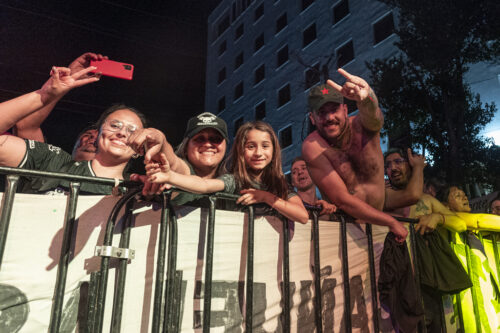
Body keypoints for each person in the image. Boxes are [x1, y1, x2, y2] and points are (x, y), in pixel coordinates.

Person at [0, 66, 146, 194]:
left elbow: (169, 174)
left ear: (139, 149)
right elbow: (26, 127)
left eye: (132, 131)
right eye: (114, 126)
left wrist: (162, 142)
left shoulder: (138, 188)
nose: (121, 133)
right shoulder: (53, 161)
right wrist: (45, 95)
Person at [301, 69, 407, 241]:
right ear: (312, 118)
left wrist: (367, 98)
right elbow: (342, 199)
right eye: (321, 112)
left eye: (334, 109)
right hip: (345, 232)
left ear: (344, 109)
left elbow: (375, 118)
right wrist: (390, 221)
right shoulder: (312, 147)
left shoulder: (362, 125)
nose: (329, 117)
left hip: (381, 228)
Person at [144, 121, 309, 223]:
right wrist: (171, 176)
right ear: (241, 151)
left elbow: (302, 216)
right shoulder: (234, 180)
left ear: (274, 151)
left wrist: (266, 197)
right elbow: (204, 184)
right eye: (251, 146)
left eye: (265, 146)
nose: (258, 152)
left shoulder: (279, 185)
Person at [13, 52, 106, 161]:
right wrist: (64, 84)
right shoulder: (51, 163)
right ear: (75, 143)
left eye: (100, 136)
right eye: (88, 135)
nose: (92, 139)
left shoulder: (126, 178)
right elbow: (25, 125)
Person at [128, 112, 229, 203]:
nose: (207, 144)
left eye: (216, 139)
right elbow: (174, 164)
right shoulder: (183, 171)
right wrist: (158, 138)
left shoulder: (231, 180)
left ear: (225, 146)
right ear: (186, 147)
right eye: (199, 139)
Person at [383, 147, 467, 234]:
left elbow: (461, 225)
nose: (392, 168)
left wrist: (438, 218)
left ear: (410, 165)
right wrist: (418, 166)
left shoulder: (426, 200)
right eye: (387, 165)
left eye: (398, 162)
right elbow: (412, 195)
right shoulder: (383, 197)